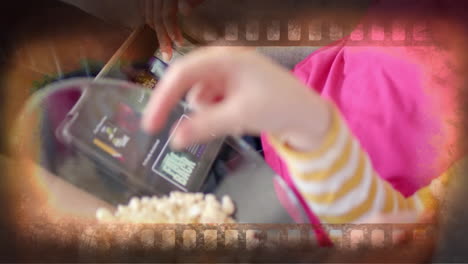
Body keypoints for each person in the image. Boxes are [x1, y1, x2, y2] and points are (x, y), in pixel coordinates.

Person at [141, 47, 442, 229]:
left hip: (306, 207)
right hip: (278, 113)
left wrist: (310, 127)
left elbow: (394, 235)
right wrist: (299, 116)